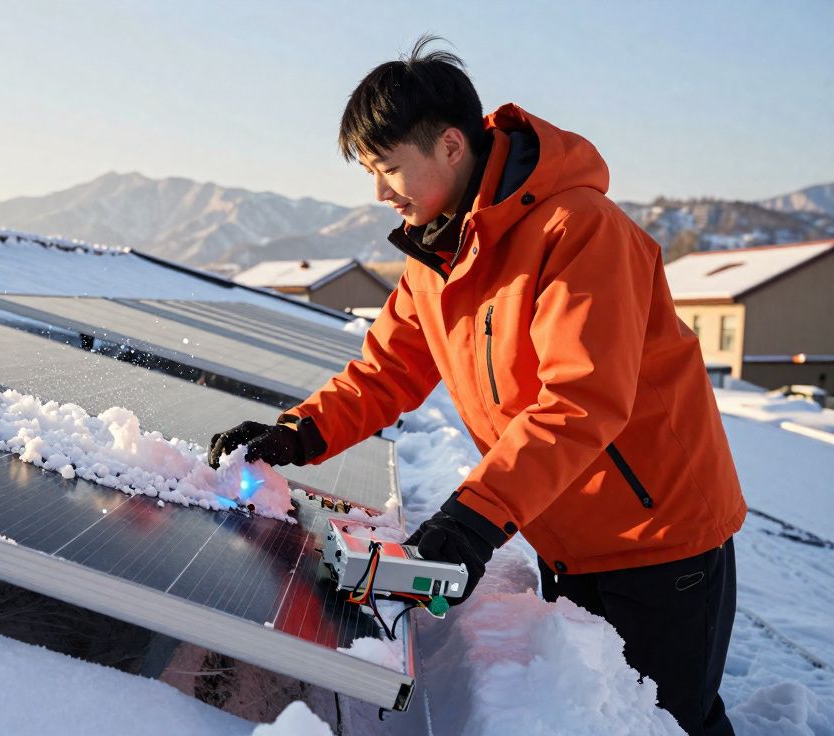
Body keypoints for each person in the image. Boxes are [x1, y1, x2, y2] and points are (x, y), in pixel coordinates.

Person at [207, 36, 746, 736]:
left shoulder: (578, 231)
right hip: (565, 533)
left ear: (452, 147)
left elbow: (581, 401)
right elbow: (385, 372)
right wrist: (297, 432)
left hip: (660, 543)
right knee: (624, 716)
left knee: (674, 723)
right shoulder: (440, 255)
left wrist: (474, 516)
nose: (378, 192)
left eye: (389, 167)